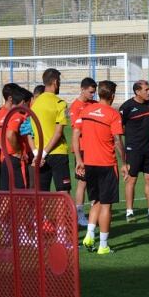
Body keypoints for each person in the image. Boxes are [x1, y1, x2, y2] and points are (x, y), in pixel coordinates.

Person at [73, 80, 127, 255]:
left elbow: (75, 135)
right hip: (106, 164)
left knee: (95, 201)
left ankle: (89, 235)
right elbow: (118, 141)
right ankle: (103, 245)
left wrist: (79, 159)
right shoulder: (113, 114)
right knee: (106, 205)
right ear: (112, 95)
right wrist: (124, 162)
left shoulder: (85, 110)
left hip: (89, 163)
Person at [119, 80, 149, 223]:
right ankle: (129, 212)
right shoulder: (126, 107)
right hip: (133, 150)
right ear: (137, 92)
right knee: (131, 180)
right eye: (146, 90)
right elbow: (118, 129)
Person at [31, 68, 71, 193]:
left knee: (42, 193)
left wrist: (39, 154)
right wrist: (44, 153)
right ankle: (63, 214)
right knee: (63, 192)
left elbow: (29, 131)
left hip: (40, 154)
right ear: (55, 82)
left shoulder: (35, 104)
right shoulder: (60, 103)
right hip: (57, 152)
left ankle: (44, 214)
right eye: (59, 81)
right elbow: (58, 133)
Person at [69, 78, 97, 226]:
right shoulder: (75, 107)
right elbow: (77, 130)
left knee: (95, 181)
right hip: (82, 148)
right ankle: (79, 215)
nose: (93, 95)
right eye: (91, 92)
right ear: (82, 89)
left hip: (95, 148)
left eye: (94, 92)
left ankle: (95, 213)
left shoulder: (94, 105)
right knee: (83, 182)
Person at [1, 86, 32, 190]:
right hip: (15, 160)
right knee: (21, 193)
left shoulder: (8, 114)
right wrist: (19, 151)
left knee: (6, 195)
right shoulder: (17, 115)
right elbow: (10, 134)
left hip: (7, 159)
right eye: (28, 104)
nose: (29, 107)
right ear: (23, 102)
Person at [0, 83, 20, 188]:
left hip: (5, 159)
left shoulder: (1, 113)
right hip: (12, 159)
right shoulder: (1, 113)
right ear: (11, 98)